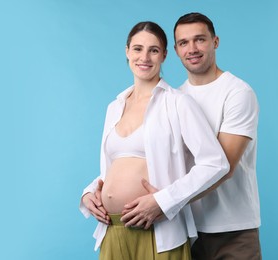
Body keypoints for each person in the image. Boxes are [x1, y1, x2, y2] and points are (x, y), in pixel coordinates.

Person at [79, 21, 230, 260]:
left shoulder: (178, 103)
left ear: (164, 55)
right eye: (138, 49)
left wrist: (163, 201)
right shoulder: (114, 106)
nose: (145, 57)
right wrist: (89, 194)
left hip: (159, 232)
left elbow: (215, 163)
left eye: (154, 50)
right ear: (127, 51)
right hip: (113, 229)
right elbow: (114, 167)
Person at [121, 13, 262, 259]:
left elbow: (223, 166)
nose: (192, 49)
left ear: (215, 42)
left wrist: (163, 202)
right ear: (175, 50)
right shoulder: (174, 98)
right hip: (185, 227)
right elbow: (145, 155)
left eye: (200, 40)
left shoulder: (237, 93)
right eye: (184, 43)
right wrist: (96, 190)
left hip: (232, 229)